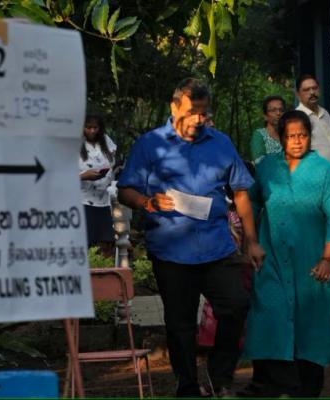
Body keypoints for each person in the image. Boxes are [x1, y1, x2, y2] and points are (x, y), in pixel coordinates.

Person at [117, 78, 265, 397]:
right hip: (171, 250)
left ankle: (219, 377)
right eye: (191, 111)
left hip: (217, 246)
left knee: (236, 305)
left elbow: (240, 193)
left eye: (202, 112)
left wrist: (251, 240)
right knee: (180, 324)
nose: (198, 119)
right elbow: (125, 188)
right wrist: (146, 202)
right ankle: (187, 385)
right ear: (174, 108)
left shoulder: (220, 142)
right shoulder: (150, 144)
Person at [243, 110, 330, 397]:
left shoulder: (325, 171)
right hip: (272, 260)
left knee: (312, 320)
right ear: (281, 138)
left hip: (312, 262)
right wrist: (251, 241)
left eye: (303, 135)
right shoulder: (268, 168)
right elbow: (250, 201)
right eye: (291, 136)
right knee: (270, 314)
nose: (297, 141)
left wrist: (327, 258)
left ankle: (307, 388)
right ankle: (271, 384)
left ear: (310, 137)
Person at [78, 113, 117, 254]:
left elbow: (113, 161)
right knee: (85, 243)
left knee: (105, 245)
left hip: (104, 200)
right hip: (83, 201)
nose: (92, 131)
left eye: (95, 127)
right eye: (88, 127)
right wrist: (83, 176)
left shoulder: (106, 141)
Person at [295, 74, 330, 160]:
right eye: (306, 90)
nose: (312, 92)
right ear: (298, 94)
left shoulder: (325, 113)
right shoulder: (297, 118)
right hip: (314, 170)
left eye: (314, 88)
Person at [249, 95, 286, 163]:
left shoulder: (289, 135)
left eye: (281, 110)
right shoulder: (259, 135)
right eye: (273, 110)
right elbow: (259, 162)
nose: (278, 113)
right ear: (265, 116)